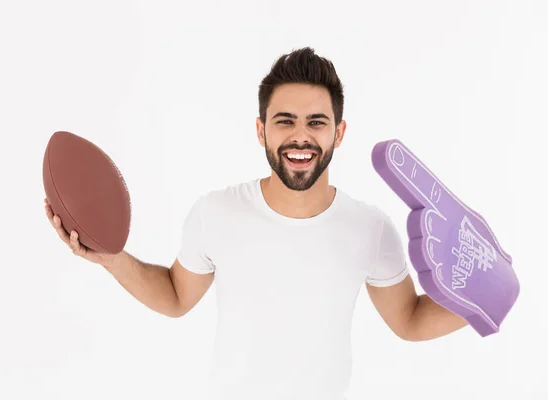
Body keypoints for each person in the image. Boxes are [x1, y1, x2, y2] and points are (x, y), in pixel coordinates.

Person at [44, 47, 468, 400]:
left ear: (338, 134)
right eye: (285, 121)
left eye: (316, 122)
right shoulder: (216, 212)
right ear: (261, 130)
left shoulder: (371, 227)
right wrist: (112, 260)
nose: (300, 136)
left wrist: (484, 295)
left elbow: (410, 320)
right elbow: (175, 297)